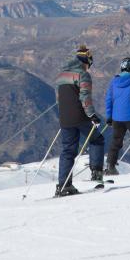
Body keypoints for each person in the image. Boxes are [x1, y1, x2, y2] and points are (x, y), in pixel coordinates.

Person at [54, 44, 105, 196]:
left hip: (65, 118)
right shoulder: (82, 75)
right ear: (86, 60)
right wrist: (92, 115)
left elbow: (58, 99)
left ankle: (64, 185)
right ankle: (96, 172)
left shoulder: (61, 76)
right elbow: (85, 97)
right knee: (97, 139)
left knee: (68, 151)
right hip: (80, 116)